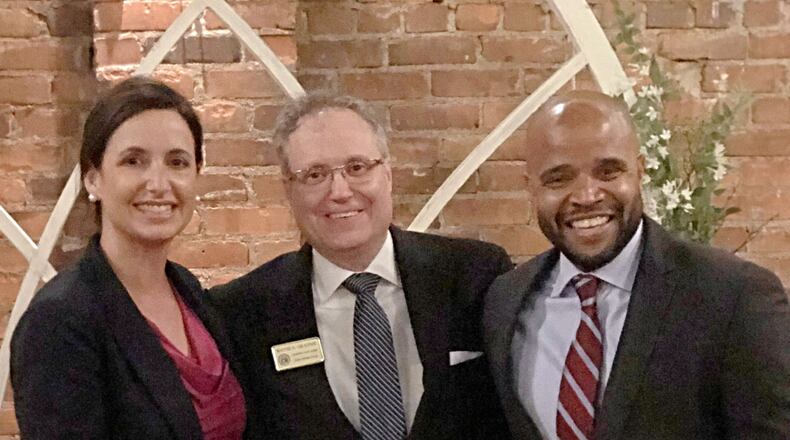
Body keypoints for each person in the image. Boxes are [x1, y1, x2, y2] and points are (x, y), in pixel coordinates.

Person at [483, 90, 790, 440]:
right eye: (559, 178)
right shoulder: (504, 302)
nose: (586, 196)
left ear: (639, 170)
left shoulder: (735, 298)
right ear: (530, 189)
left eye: (608, 171)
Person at [207, 94, 513, 439]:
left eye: (356, 168)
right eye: (315, 174)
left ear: (387, 174)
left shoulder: (476, 276)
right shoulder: (241, 312)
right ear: (288, 190)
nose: (339, 191)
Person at [11, 77, 248, 439]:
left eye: (177, 162)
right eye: (134, 161)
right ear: (94, 180)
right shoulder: (59, 322)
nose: (158, 183)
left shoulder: (188, 291)